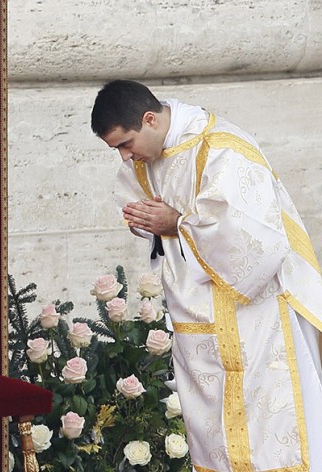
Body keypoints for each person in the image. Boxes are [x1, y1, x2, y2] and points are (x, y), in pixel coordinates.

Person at [92, 79, 322, 471]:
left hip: (259, 317)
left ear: (150, 119)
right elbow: (140, 204)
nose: (126, 158)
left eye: (126, 144)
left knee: (271, 431)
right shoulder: (151, 156)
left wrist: (177, 223)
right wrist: (148, 222)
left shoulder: (222, 149)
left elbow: (254, 241)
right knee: (215, 432)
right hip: (198, 319)